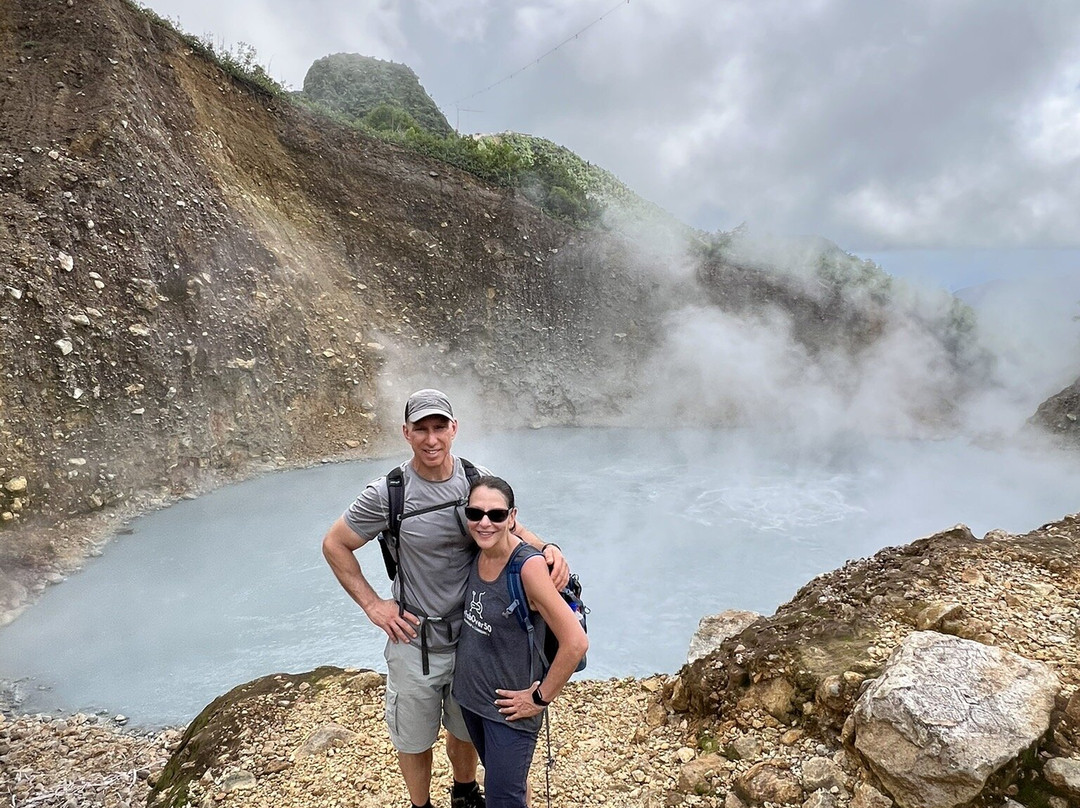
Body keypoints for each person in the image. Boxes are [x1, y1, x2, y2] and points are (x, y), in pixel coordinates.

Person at [322, 389, 568, 808]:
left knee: (464, 727)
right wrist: (373, 605)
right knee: (415, 737)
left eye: (440, 428)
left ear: (454, 429)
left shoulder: (474, 480)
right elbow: (335, 544)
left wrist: (549, 548)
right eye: (421, 429)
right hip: (415, 640)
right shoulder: (388, 493)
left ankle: (465, 791)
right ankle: (422, 805)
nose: (431, 439)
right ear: (406, 433)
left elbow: (507, 527)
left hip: (475, 639)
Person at [452, 476, 588, 808]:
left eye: (496, 515)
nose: (485, 522)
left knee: (502, 799)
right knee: (508, 787)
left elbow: (575, 642)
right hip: (474, 700)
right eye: (476, 513)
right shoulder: (478, 549)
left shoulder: (527, 568)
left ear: (512, 518)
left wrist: (539, 699)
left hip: (511, 712)